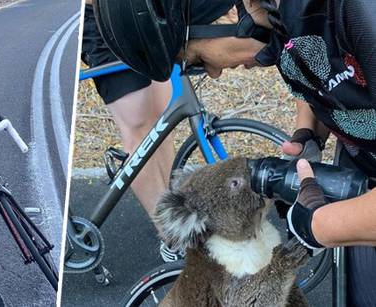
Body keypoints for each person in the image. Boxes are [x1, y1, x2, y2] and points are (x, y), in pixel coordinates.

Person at [93, 0, 376, 304]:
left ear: (227, 13)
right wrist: (308, 132)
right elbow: (314, 68)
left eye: (199, 59)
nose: (213, 73)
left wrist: (316, 226)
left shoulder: (359, 13)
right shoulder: (277, 23)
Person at [82, 1, 179, 261]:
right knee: (137, 126)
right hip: (101, 15)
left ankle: (175, 212)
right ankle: (171, 236)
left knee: (163, 114)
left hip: (143, 8)